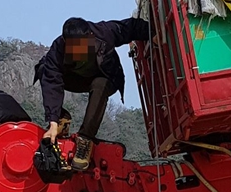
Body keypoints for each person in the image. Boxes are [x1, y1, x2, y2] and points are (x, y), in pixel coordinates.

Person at [34, 16, 151, 171]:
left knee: (100, 84)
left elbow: (130, 27)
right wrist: (53, 122)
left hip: (105, 78)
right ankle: (61, 119)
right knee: (43, 68)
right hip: (77, 80)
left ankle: (86, 139)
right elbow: (52, 82)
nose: (78, 50)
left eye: (81, 44)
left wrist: (154, 32)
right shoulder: (59, 49)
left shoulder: (104, 32)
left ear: (89, 35)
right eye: (73, 46)